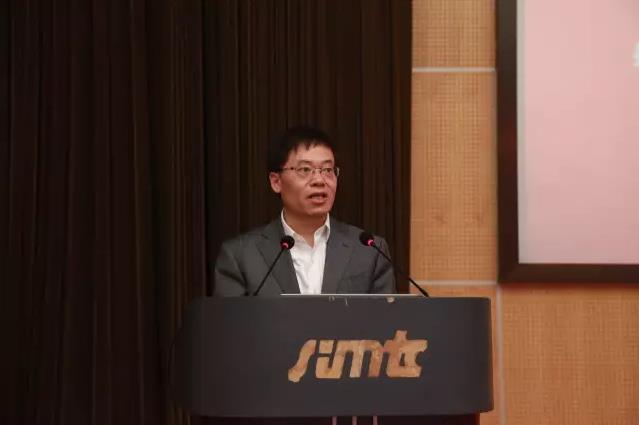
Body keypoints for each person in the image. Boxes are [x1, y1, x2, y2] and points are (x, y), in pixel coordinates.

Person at [213, 126, 396, 296]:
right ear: (276, 181)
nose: (319, 180)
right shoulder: (240, 256)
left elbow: (385, 318)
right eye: (305, 169)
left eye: (327, 170)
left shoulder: (369, 251)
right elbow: (232, 320)